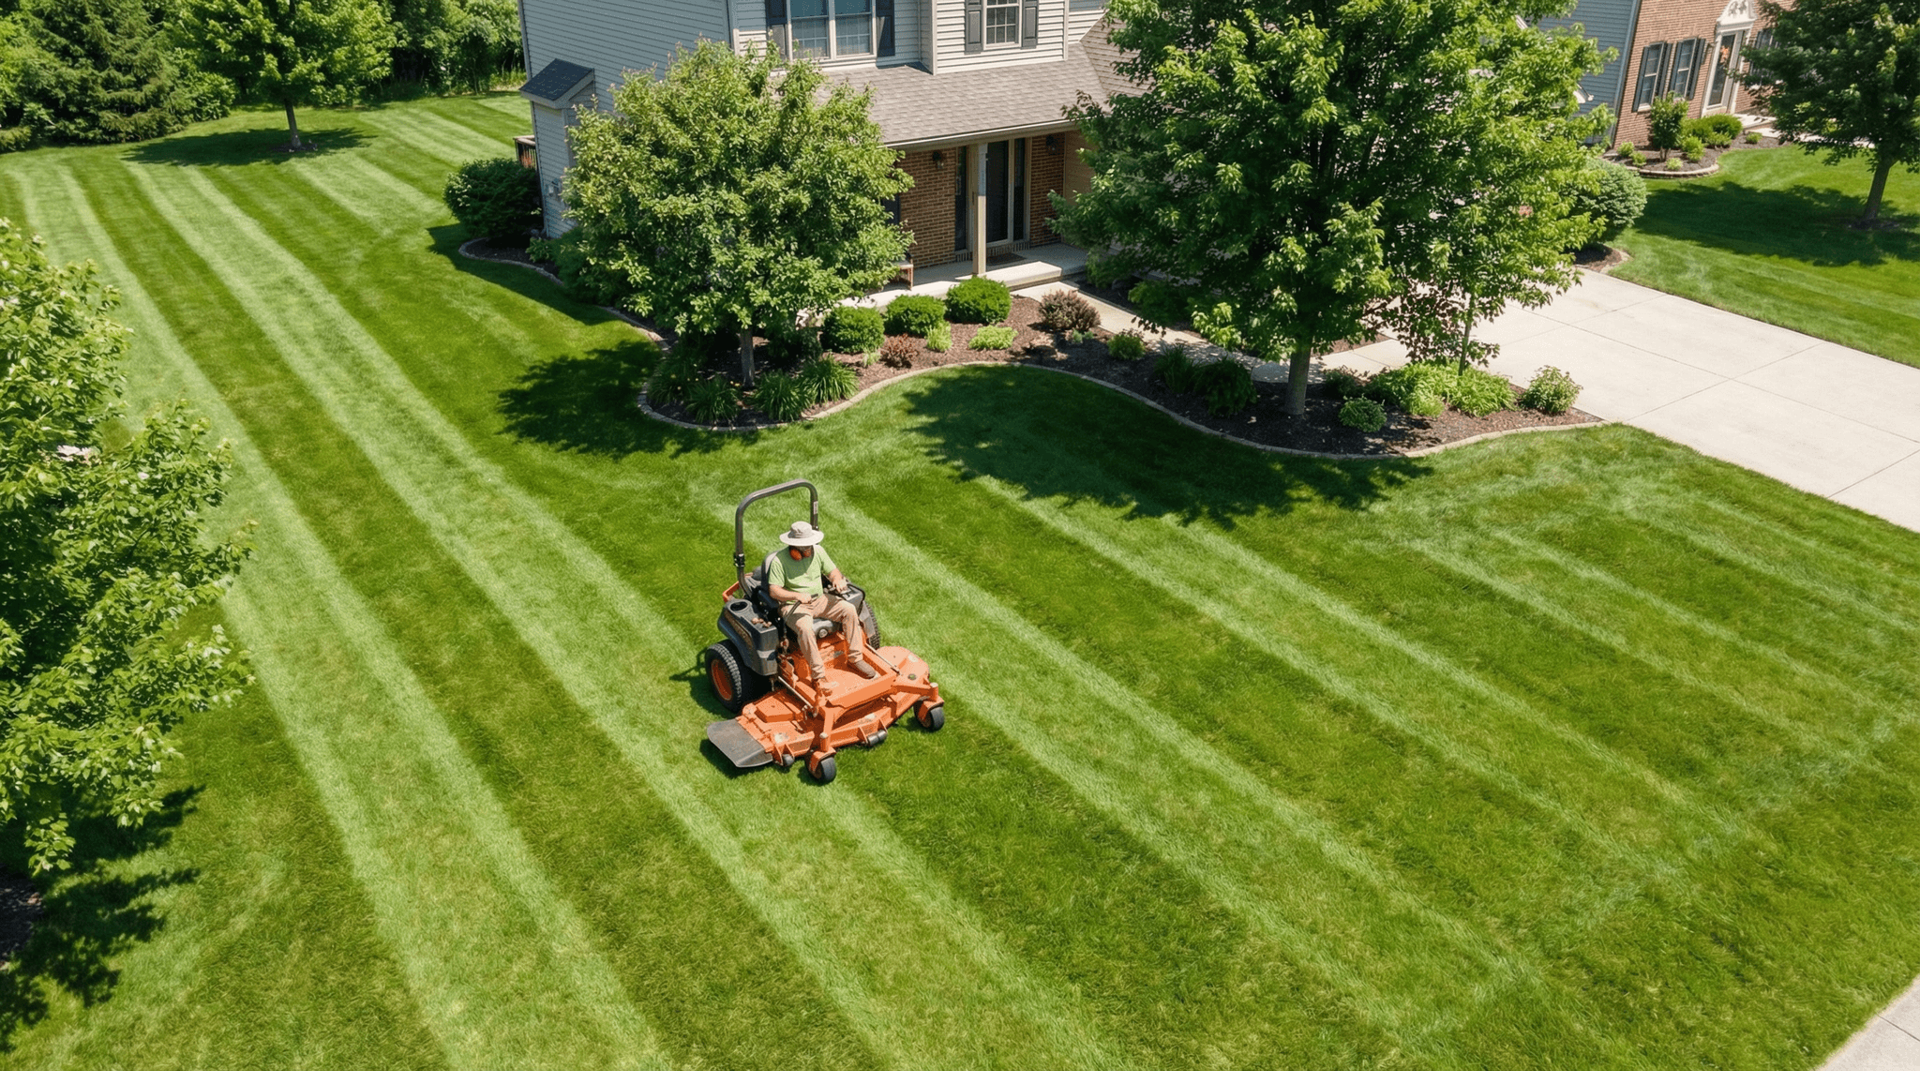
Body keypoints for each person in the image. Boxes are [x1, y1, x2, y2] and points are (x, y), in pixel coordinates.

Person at [765, 521, 878, 692]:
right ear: (794, 548)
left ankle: (855, 659)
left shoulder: (817, 551)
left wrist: (837, 580)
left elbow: (833, 571)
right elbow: (774, 591)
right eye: (805, 548)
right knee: (805, 628)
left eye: (810, 546)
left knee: (849, 609)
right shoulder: (779, 562)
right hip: (794, 606)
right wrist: (796, 595)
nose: (809, 550)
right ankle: (819, 677)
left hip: (820, 599)